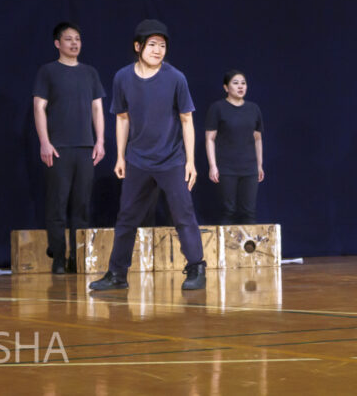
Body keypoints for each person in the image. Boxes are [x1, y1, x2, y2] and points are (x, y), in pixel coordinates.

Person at [89, 19, 206, 292]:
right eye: (152, 45)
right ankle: (117, 274)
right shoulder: (122, 77)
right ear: (137, 46)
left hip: (172, 159)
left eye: (162, 46)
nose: (158, 50)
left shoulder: (176, 78)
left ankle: (197, 268)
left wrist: (191, 161)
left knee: (183, 214)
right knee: (127, 217)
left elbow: (187, 120)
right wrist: (120, 156)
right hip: (138, 159)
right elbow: (122, 118)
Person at [33, 21, 106, 274]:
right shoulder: (48, 71)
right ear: (57, 44)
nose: (74, 43)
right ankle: (59, 259)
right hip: (59, 148)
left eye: (77, 39)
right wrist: (45, 141)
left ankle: (78, 257)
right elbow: (39, 107)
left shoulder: (90, 72)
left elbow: (97, 108)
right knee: (57, 204)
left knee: (81, 205)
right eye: (68, 39)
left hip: (85, 147)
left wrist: (100, 140)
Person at [205, 70, 264, 224]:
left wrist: (259, 165)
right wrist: (213, 166)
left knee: (249, 212)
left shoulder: (253, 109)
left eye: (243, 83)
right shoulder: (217, 108)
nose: (240, 86)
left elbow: (257, 138)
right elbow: (210, 138)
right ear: (226, 87)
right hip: (226, 167)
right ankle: (226, 248)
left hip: (249, 167)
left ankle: (247, 248)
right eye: (235, 83)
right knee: (228, 211)